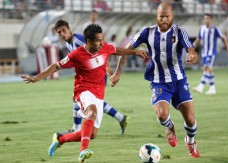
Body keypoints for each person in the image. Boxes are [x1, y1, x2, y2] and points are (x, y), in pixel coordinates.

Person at [21, 24, 148, 162]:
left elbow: (116, 50)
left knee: (92, 134)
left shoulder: (103, 47)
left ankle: (60, 138)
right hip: (83, 90)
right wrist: (36, 78)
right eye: (98, 41)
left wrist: (135, 52)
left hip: (99, 93)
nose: (101, 43)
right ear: (88, 41)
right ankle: (83, 152)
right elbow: (56, 66)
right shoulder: (77, 54)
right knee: (91, 113)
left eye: (102, 39)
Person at [111, 2, 200, 158]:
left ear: (172, 16)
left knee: (191, 120)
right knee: (162, 116)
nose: (164, 20)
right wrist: (118, 72)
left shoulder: (179, 32)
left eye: (167, 17)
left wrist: (192, 55)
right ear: (156, 16)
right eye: (161, 17)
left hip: (179, 81)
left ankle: (190, 140)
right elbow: (126, 50)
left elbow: (190, 49)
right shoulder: (146, 32)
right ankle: (169, 127)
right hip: (159, 81)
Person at [54, 20, 129, 134]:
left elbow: (100, 49)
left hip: (97, 74)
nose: (62, 34)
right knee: (90, 101)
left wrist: (108, 68)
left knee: (80, 99)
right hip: (89, 76)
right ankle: (121, 118)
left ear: (70, 29)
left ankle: (76, 128)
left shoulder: (79, 40)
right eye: (59, 32)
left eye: (64, 30)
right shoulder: (68, 43)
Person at [192, 13, 228, 95]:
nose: (206, 20)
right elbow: (198, 39)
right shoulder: (202, 28)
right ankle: (212, 88)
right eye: (205, 18)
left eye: (207, 18)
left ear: (211, 20)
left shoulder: (215, 28)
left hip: (211, 53)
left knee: (207, 68)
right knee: (208, 70)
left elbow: (223, 38)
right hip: (204, 53)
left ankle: (201, 86)